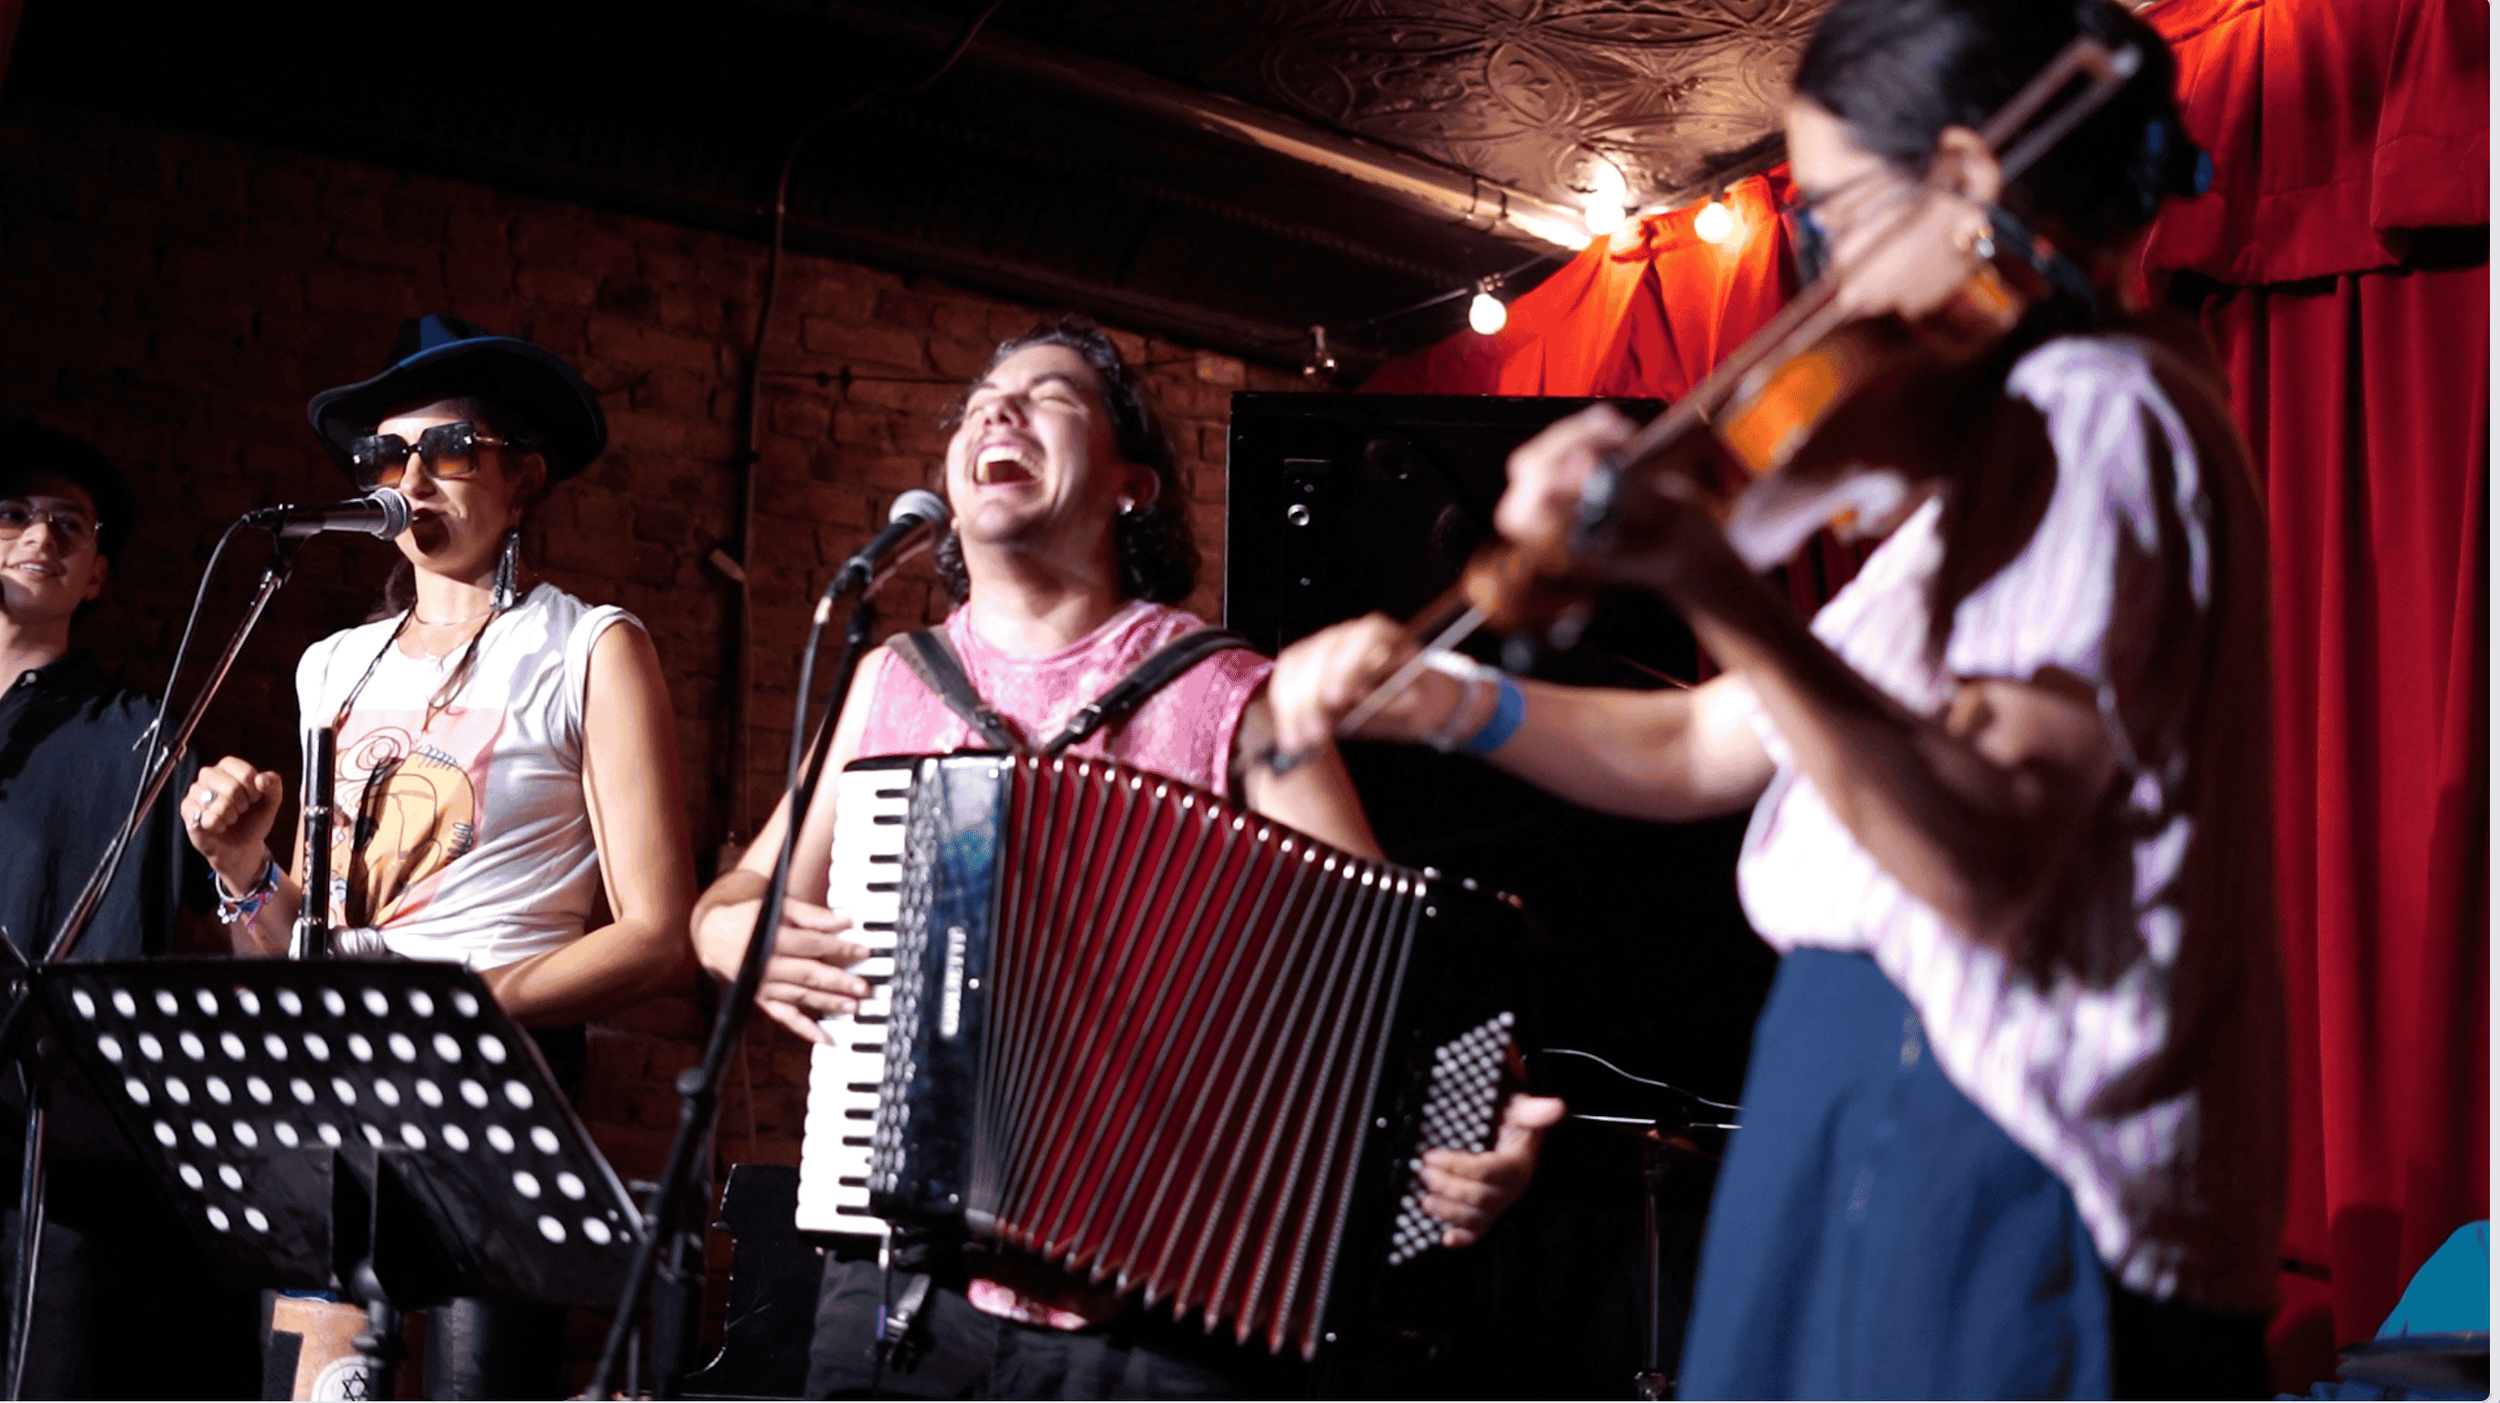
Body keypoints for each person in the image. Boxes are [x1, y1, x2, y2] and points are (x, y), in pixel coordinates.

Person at [1269, 1, 2286, 1397]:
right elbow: (1704, 738)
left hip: (1996, 1129)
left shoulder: (2091, 411)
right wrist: (1450, 700)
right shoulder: (1977, 490)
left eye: (1839, 216)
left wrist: (1714, 579)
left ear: (1967, 182)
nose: (1829, 279)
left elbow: (1984, 860)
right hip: (1873, 1093)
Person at [690, 317, 1564, 1398]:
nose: (998, 410)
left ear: (1132, 485)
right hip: (901, 1298)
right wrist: (730, 930)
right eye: (979, 403)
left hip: (1156, 1322)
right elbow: (737, 895)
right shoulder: (891, 680)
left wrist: (1484, 1136)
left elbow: (1407, 970)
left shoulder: (1230, 696)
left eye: (1051, 396)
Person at [178, 315, 700, 1397]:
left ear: (523, 478)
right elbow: (290, 948)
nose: (410, 479)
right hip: (330, 1075)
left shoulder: (588, 645)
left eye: (449, 449)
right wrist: (241, 867)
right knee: (311, 1387)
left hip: (494, 1073)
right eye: (385, 455)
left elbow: (658, 933)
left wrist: (460, 1006)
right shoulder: (333, 667)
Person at [0, 421, 260, 1398]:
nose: (41, 535)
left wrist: (241, 856)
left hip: (57, 1180)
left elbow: (254, 928)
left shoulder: (140, 741)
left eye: (70, 523)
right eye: (14, 514)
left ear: (97, 575)